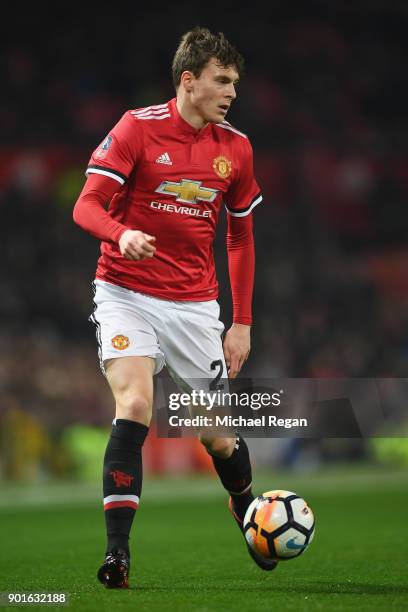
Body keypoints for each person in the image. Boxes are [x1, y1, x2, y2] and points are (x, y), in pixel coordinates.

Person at [73, 26, 276, 589]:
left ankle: (248, 512)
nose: (232, 92)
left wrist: (240, 323)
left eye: (235, 82)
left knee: (218, 437)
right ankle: (117, 555)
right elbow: (85, 206)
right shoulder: (136, 129)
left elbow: (241, 238)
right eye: (222, 80)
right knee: (135, 404)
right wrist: (120, 235)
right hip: (124, 293)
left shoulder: (235, 147)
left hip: (194, 307)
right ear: (189, 80)